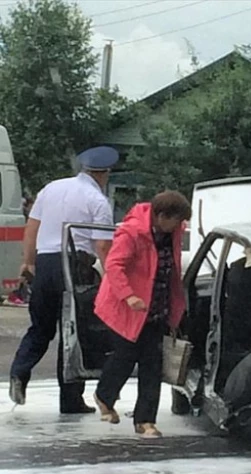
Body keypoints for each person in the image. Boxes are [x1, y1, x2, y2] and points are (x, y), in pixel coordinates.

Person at [9, 146, 119, 412]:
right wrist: (113, 279)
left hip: (45, 264)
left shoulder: (51, 188)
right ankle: (70, 399)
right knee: (74, 332)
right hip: (74, 265)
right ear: (104, 174)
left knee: (40, 327)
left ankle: (19, 371)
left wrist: (28, 263)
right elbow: (103, 247)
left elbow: (31, 229)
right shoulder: (98, 201)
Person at [93, 190, 191, 438]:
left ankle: (145, 420)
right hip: (126, 307)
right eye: (176, 220)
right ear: (161, 216)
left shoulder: (172, 232)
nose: (179, 226)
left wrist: (176, 308)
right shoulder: (132, 232)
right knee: (125, 355)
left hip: (157, 307)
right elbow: (114, 266)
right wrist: (129, 296)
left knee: (152, 364)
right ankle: (104, 396)